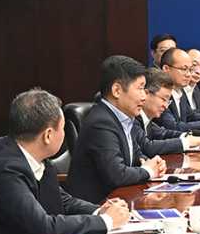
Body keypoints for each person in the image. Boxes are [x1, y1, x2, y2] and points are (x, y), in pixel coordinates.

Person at [0, 89, 132, 234]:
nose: (64, 134)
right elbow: (43, 227)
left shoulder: (35, 158)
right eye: (62, 128)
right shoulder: (4, 170)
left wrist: (99, 211)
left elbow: (61, 200)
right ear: (48, 135)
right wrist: (105, 221)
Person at [66, 55, 169, 203]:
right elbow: (117, 175)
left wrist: (152, 163)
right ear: (117, 90)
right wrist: (148, 170)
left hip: (122, 199)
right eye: (140, 88)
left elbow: (136, 155)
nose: (144, 97)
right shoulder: (101, 123)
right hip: (96, 207)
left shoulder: (124, 118)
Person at [136, 67, 188, 157]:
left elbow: (162, 133)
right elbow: (148, 147)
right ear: (146, 94)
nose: (166, 106)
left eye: (168, 101)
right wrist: (186, 142)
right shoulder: (133, 118)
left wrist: (188, 136)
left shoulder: (147, 119)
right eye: (164, 99)